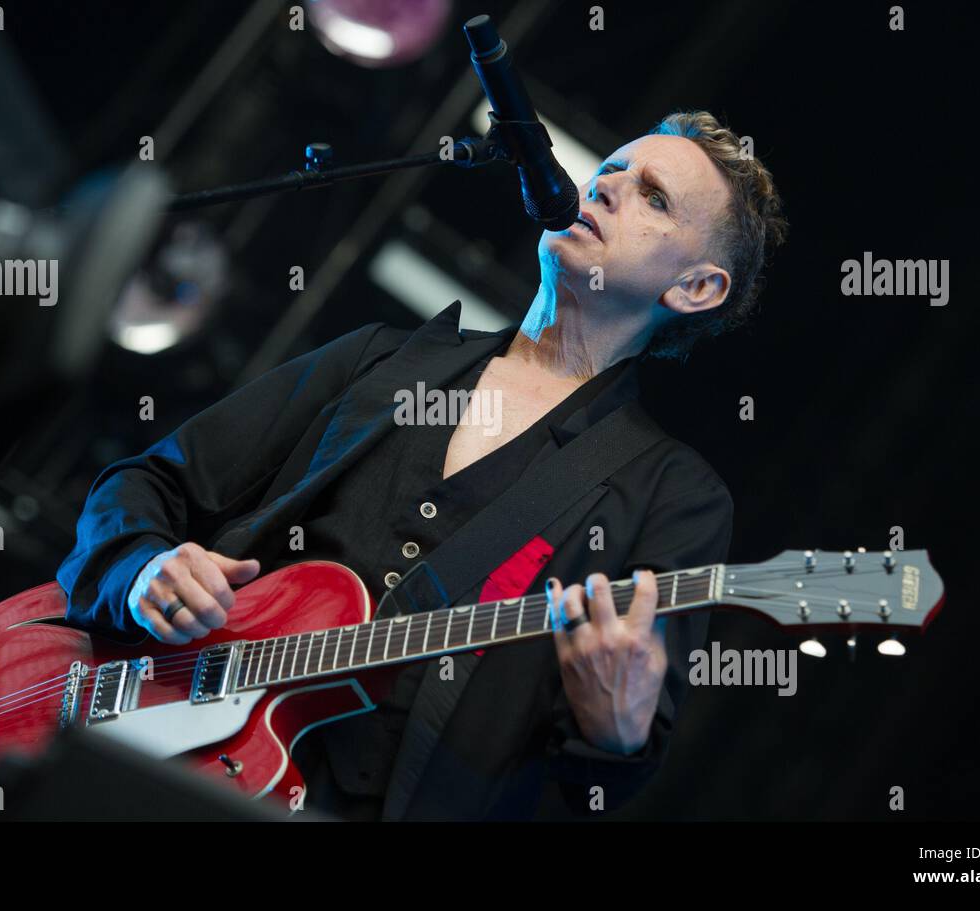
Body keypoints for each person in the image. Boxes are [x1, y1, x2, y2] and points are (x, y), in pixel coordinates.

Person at [57, 110, 787, 820]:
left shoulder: (671, 495)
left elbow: (600, 776)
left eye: (653, 197)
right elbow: (146, 483)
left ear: (695, 288)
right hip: (159, 759)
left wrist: (616, 731)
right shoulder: (381, 358)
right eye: (610, 170)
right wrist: (141, 570)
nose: (605, 187)